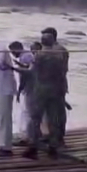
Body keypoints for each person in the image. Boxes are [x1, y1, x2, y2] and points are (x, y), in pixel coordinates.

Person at [23, 31, 68, 159]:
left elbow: (31, 72)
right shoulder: (59, 55)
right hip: (55, 89)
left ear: (42, 42)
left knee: (35, 119)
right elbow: (62, 73)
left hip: (41, 89)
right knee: (53, 119)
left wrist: (14, 68)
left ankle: (33, 148)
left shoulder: (40, 55)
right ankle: (53, 147)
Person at [41, 27, 69, 145]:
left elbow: (59, 70)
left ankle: (58, 136)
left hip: (56, 84)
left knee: (57, 111)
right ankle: (52, 134)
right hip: (53, 84)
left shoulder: (58, 50)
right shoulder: (53, 49)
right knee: (51, 111)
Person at [8, 41, 35, 146]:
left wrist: (20, 90)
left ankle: (27, 137)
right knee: (29, 112)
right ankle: (31, 135)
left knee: (26, 112)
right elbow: (27, 67)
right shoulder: (28, 55)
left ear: (18, 48)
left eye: (13, 51)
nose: (12, 54)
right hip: (32, 86)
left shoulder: (25, 56)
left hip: (29, 87)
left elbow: (26, 74)